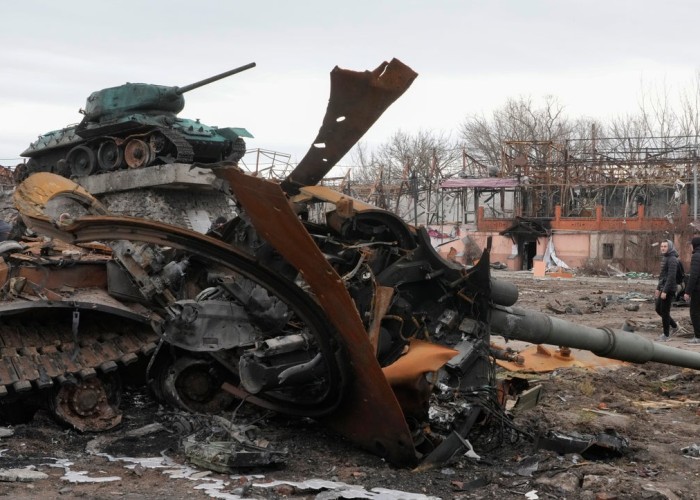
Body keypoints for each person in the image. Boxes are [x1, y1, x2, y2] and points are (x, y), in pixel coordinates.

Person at [655, 239, 680, 341]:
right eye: (662, 246)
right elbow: (662, 275)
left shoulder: (672, 259)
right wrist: (658, 288)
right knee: (658, 309)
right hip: (663, 287)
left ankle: (666, 335)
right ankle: (674, 326)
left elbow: (671, 277)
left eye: (665, 246)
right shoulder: (665, 257)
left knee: (665, 311)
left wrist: (665, 291)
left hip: (669, 289)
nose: (663, 248)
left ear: (670, 247)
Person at [683, 236, 700, 344]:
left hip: (697, 290)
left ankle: (698, 337)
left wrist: (687, 292)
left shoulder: (696, 256)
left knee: (694, 313)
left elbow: (693, 276)